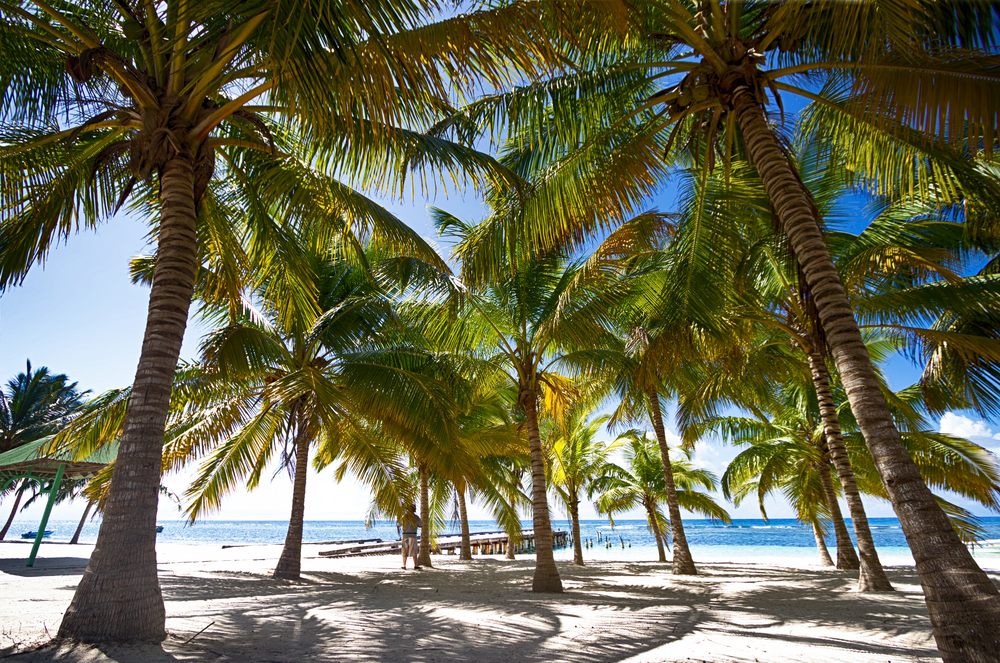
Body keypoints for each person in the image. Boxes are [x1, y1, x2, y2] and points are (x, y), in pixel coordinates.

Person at [398, 503, 422, 570]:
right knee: (414, 551)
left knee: (404, 551)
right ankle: (416, 565)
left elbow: (399, 524)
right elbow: (421, 525)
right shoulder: (416, 517)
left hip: (405, 535)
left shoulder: (404, 517)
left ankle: (404, 565)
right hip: (413, 535)